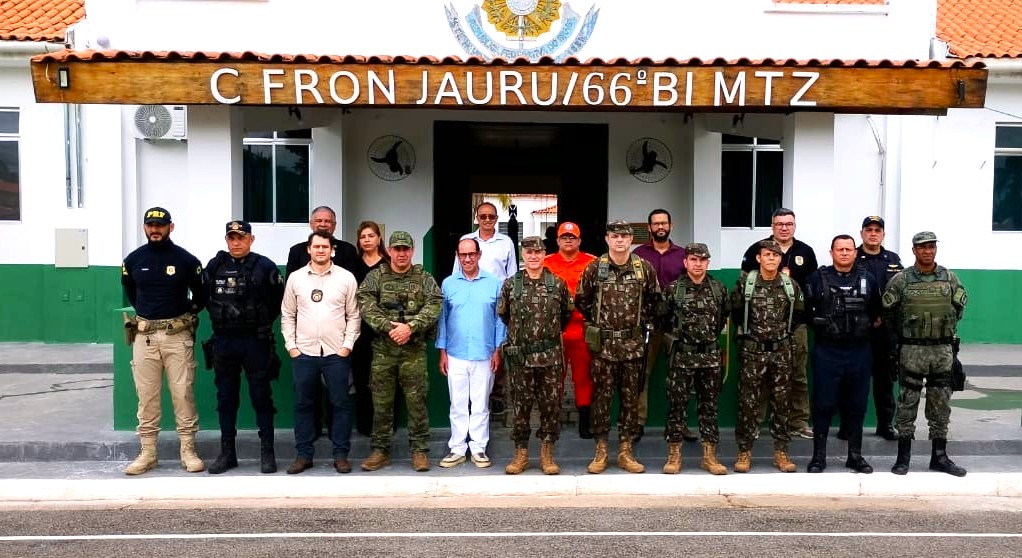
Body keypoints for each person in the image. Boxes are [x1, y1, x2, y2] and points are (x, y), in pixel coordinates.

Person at [120, 207, 208, 475]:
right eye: (150, 225)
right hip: (144, 337)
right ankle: (148, 453)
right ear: (144, 228)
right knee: (146, 396)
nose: (155, 230)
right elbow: (131, 292)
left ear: (171, 227)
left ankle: (188, 450)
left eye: (160, 225)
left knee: (183, 393)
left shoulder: (186, 260)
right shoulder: (133, 260)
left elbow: (201, 296)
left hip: (177, 336)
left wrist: (183, 315)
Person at [574, 220, 660, 474]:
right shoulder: (595, 268)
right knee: (601, 399)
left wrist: (638, 325)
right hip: (604, 347)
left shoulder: (643, 268)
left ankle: (625, 450)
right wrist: (600, 325)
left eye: (624, 236)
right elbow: (582, 300)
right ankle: (601, 450)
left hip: (633, 346)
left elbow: (654, 300)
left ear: (631, 239)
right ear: (607, 239)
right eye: (615, 236)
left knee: (630, 400)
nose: (620, 240)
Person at [203, 220, 285, 475]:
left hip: (255, 341)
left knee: (261, 397)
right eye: (232, 238)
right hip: (224, 341)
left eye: (241, 237)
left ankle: (267, 452)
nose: (236, 242)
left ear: (251, 239)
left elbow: (277, 301)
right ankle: (227, 453)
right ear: (226, 240)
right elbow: (205, 296)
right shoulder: (215, 265)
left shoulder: (265, 266)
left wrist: (257, 322)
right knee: (226, 398)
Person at [883, 231, 968, 477]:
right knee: (907, 403)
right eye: (922, 247)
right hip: (912, 350)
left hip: (942, 350)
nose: (927, 251)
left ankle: (939, 457)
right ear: (914, 250)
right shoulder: (901, 280)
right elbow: (888, 314)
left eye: (931, 247)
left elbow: (958, 310)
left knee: (940, 404)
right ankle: (903, 458)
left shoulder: (950, 278)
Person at [357, 231, 443, 472]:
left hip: (413, 351)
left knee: (417, 402)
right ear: (390, 251)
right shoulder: (376, 276)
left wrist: (410, 327)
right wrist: (389, 328)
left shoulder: (424, 278)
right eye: (397, 249)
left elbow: (435, 304)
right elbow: (365, 303)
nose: (401, 253)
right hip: (383, 350)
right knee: (381, 402)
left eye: (406, 249)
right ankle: (380, 451)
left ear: (412, 251)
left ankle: (419, 451)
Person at [280, 231, 361, 474]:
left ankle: (341, 455)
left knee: (340, 404)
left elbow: (354, 315)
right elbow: (288, 314)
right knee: (304, 405)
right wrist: (291, 346)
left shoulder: (346, 278)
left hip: (337, 353)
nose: (321, 250)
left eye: (325, 246)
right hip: (304, 352)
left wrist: (347, 345)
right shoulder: (296, 278)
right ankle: (303, 455)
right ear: (309, 249)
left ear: (332, 250)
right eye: (316, 246)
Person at [804, 235, 881, 474]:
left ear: (855, 252)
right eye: (840, 249)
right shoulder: (817, 278)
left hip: (859, 351)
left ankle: (855, 456)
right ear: (832, 252)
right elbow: (806, 313)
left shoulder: (868, 279)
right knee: (823, 404)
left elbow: (876, 313)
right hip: (827, 350)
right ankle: (818, 457)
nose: (845, 253)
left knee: (857, 404)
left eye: (849, 249)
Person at [740, 208, 817, 439]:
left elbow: (811, 288)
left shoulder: (806, 251)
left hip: (796, 325)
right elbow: (743, 288)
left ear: (795, 226)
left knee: (798, 373)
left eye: (788, 224)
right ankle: (755, 422)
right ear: (772, 226)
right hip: (760, 327)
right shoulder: (756, 249)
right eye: (779, 224)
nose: (784, 228)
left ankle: (798, 421)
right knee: (759, 376)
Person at [498, 236, 572, 475]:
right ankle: (520, 454)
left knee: (550, 407)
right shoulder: (511, 284)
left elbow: (565, 315)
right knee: (520, 407)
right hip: (521, 359)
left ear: (544, 254)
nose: (533, 256)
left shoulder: (557, 284)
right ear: (523, 255)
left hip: (550, 358)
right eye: (529, 252)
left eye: (537, 252)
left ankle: (546, 454)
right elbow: (504, 314)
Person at [731, 240, 805, 473]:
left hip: (781, 352)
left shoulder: (790, 285)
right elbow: (736, 313)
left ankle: (781, 452)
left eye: (775, 255)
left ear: (780, 258)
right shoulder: (746, 284)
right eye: (767, 255)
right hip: (752, 353)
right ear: (759, 258)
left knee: (782, 403)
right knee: (748, 403)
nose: (771, 258)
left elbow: (797, 316)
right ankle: (744, 451)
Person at [436, 238, 506, 469]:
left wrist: (497, 349)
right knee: (457, 404)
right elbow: (442, 319)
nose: (467, 259)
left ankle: (478, 448)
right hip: (455, 353)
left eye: (471, 254)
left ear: (479, 255)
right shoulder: (448, 284)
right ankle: (457, 448)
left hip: (485, 353)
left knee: (480, 404)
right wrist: (442, 351)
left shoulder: (494, 283)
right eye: (463, 255)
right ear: (458, 256)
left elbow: (499, 320)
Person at [662, 243, 729, 475]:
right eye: (693, 259)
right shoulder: (673, 289)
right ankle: (674, 454)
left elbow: (723, 318)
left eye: (702, 260)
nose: (698, 264)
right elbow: (664, 319)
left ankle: (709, 455)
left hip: (710, 357)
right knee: (676, 406)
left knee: (709, 407)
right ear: (685, 262)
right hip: (682, 357)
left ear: (708, 262)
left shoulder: (719, 289)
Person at [632, 208, 692, 442]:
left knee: (680, 375)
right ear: (649, 228)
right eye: (656, 223)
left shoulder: (683, 255)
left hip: (677, 325)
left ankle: (679, 424)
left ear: (670, 226)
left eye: (664, 223)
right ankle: (638, 423)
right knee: (642, 374)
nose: (660, 227)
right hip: (648, 324)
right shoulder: (638, 254)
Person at [456, 202, 518, 416]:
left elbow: (512, 275)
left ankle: (497, 393)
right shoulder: (467, 241)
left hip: (498, 301)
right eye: (483, 216)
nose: (487, 220)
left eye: (491, 216)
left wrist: (509, 303)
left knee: (498, 345)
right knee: (473, 342)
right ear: (477, 217)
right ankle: (473, 395)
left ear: (496, 218)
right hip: (471, 299)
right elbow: (457, 272)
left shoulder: (506, 242)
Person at [542, 221, 597, 438]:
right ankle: (552, 420)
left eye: (572, 237)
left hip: (581, 329)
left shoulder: (592, 262)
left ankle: (585, 421)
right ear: (557, 240)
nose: (568, 240)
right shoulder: (546, 263)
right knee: (554, 376)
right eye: (564, 237)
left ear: (579, 240)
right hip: (555, 329)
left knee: (583, 377)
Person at [854, 216, 903, 440]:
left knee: (884, 382)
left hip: (885, 332)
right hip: (860, 330)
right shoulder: (853, 256)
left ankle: (885, 425)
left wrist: (884, 316)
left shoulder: (892, 259)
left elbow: (900, 292)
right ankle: (850, 426)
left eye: (877, 230)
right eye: (869, 229)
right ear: (862, 233)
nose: (873, 233)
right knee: (855, 381)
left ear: (883, 234)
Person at [349, 220, 390, 437]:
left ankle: (385, 426)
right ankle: (365, 426)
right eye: (363, 237)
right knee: (362, 377)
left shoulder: (388, 263)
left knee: (386, 379)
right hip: (359, 329)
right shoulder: (353, 265)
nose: (367, 240)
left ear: (378, 238)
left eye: (371, 236)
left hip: (385, 330)